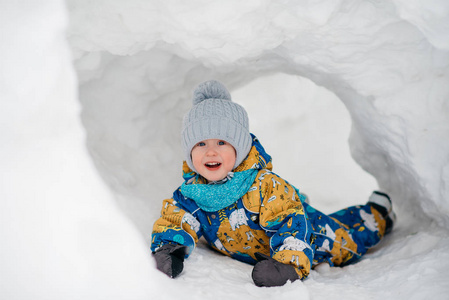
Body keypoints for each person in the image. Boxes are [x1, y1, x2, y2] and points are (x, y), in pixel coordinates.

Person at [151, 80, 395, 287]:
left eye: (222, 143)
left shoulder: (264, 186)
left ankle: (378, 214)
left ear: (241, 148)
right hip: (263, 243)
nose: (211, 152)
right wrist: (169, 250)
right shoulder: (192, 193)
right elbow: (176, 219)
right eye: (201, 144)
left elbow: (291, 224)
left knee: (349, 242)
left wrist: (287, 265)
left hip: (308, 235)